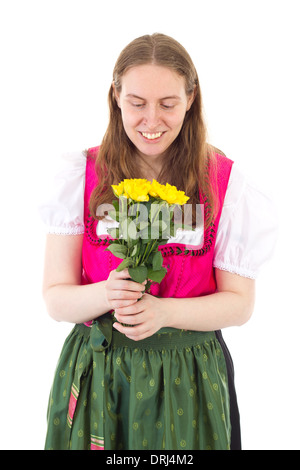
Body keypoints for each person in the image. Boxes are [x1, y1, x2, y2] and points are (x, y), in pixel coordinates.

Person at [40, 33, 277, 450]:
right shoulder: (81, 175)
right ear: (115, 97)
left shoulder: (224, 183)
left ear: (190, 98)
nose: (152, 121)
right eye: (137, 103)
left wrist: (164, 312)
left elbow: (240, 304)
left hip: (189, 373)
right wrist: (106, 293)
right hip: (100, 371)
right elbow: (56, 299)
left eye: (168, 104)